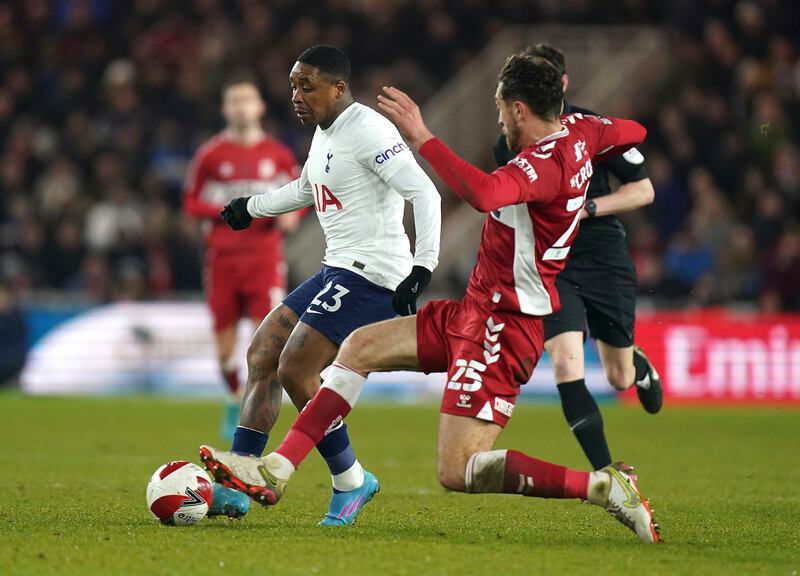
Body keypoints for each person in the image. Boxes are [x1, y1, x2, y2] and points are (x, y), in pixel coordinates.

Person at [200, 55, 660, 543]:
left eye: (501, 107)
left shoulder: (542, 166)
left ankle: (602, 485)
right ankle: (276, 469)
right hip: (471, 310)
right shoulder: (582, 131)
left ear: (520, 109)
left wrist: (423, 138)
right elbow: (633, 131)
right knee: (357, 349)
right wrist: (589, 131)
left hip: (505, 328)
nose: (498, 119)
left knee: (457, 470)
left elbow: (483, 193)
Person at [209, 45, 441, 524]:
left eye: (306, 86)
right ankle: (238, 479)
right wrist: (251, 207)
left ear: (338, 87)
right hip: (337, 268)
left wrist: (422, 268)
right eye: (293, 85)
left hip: (373, 275)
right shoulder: (325, 133)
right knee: (262, 355)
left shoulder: (370, 129)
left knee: (296, 367)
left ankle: (351, 481)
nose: (296, 95)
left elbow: (423, 191)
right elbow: (307, 188)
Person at [493, 44, 662, 472]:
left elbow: (643, 191)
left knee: (619, 378)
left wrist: (588, 209)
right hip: (556, 265)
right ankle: (608, 474)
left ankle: (636, 364)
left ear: (562, 84)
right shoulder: (509, 143)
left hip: (603, 255)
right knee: (566, 365)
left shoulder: (592, 129)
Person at [183, 76, 301, 442]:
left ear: (260, 107)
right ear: (225, 109)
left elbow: (300, 194)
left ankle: (256, 412)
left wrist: (290, 217)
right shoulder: (211, 156)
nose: (240, 107)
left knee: (266, 344)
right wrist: (223, 211)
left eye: (246, 100)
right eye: (233, 101)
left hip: (264, 260)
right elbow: (191, 201)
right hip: (222, 261)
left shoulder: (278, 154)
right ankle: (234, 397)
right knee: (224, 353)